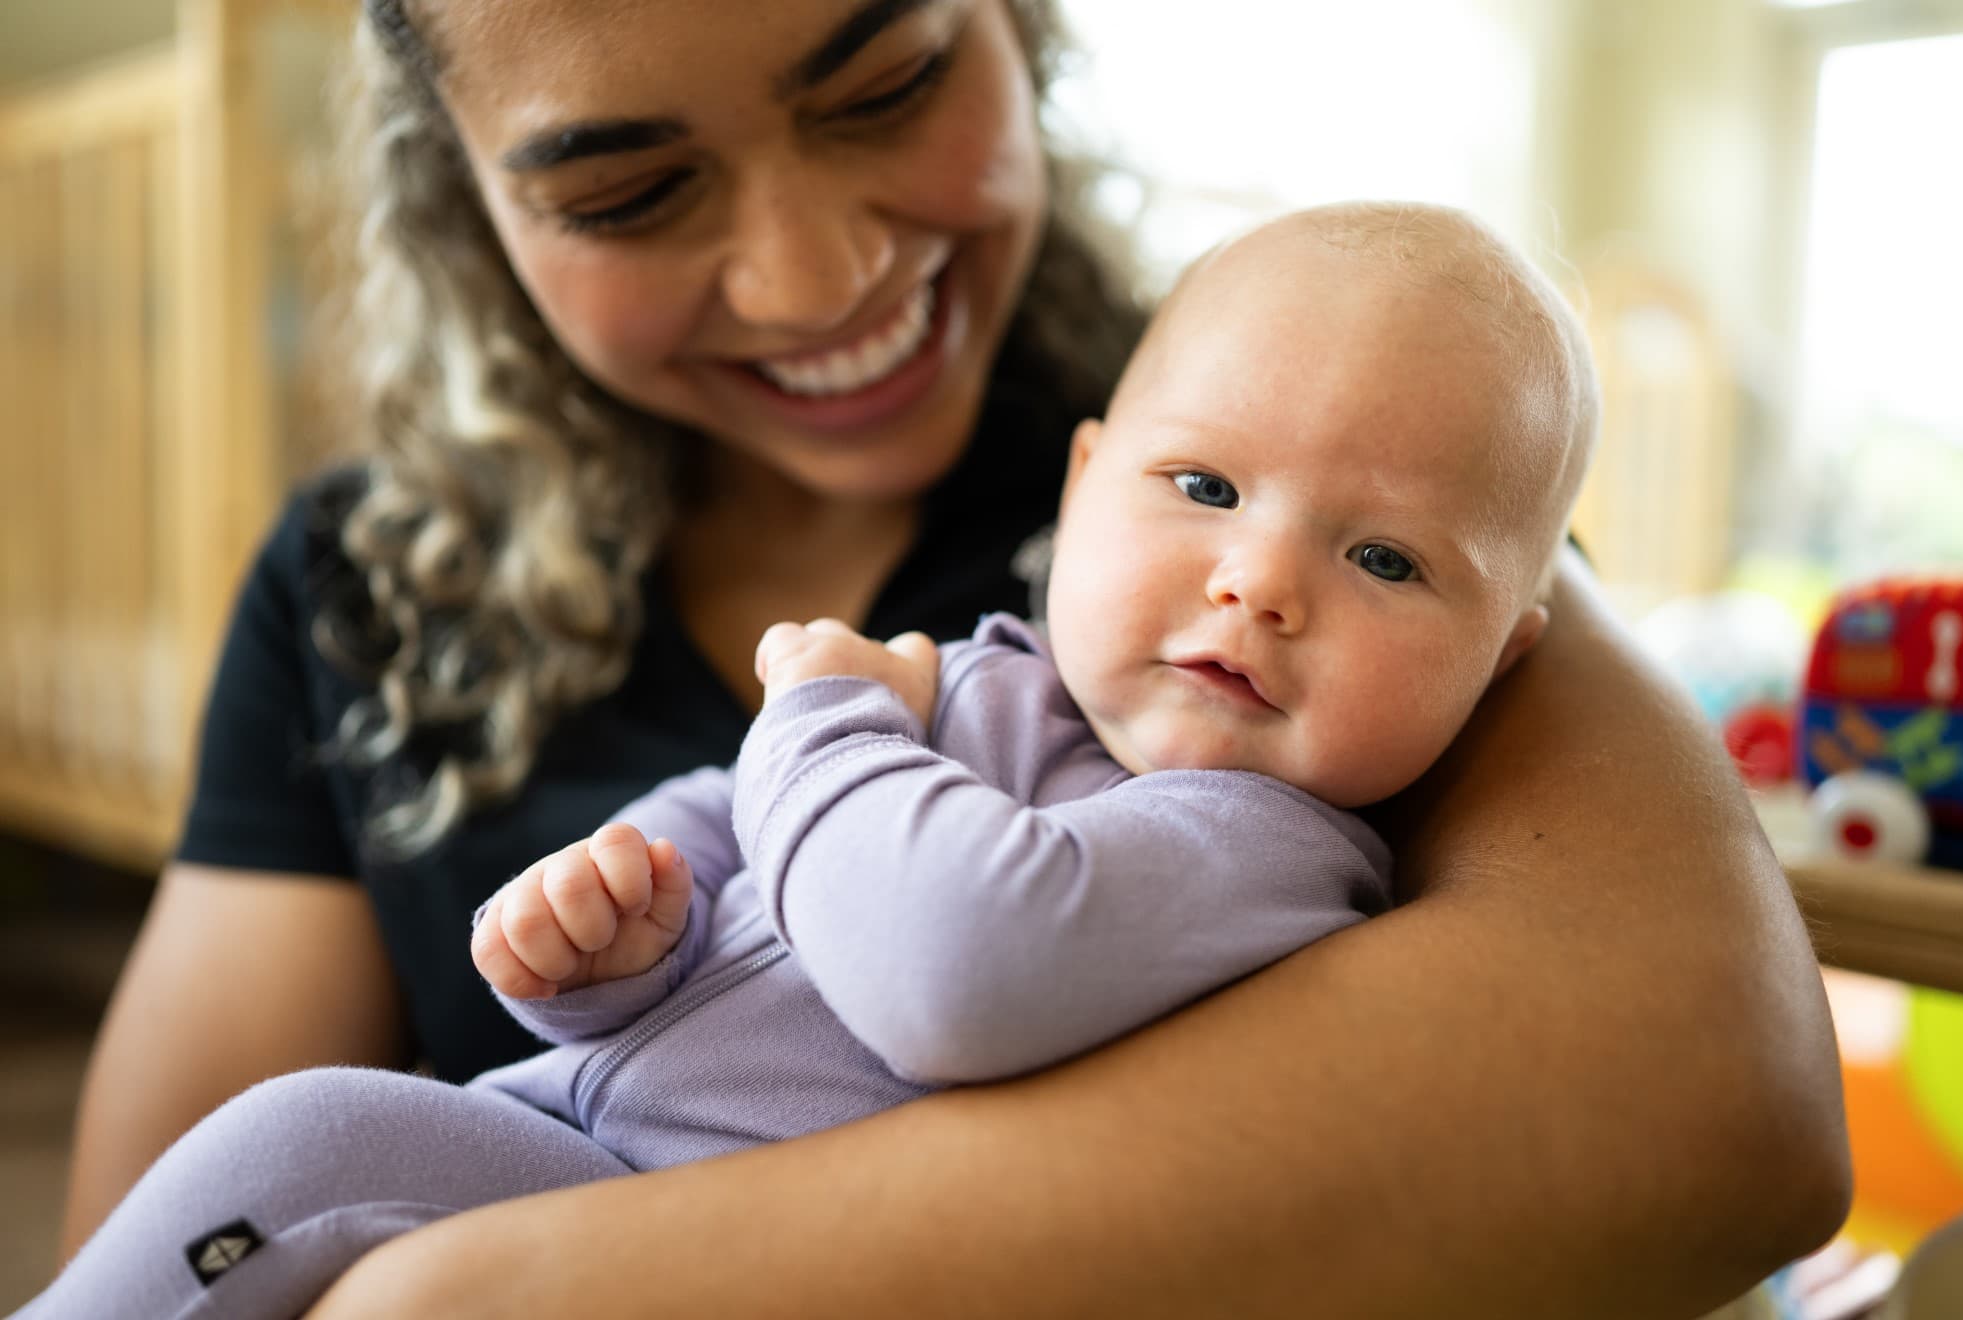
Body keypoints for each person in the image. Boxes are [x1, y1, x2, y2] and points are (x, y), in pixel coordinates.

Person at [57, 0, 1850, 1316]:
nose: (812, 272)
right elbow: (157, 1217)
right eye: (627, 188)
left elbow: (1733, 1116)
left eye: (890, 81)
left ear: (1021, 24)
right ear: (471, 204)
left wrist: (502, 1291)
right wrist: (619, 951)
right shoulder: (356, 587)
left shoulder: (1353, 452)